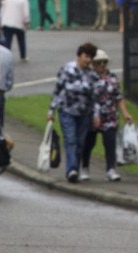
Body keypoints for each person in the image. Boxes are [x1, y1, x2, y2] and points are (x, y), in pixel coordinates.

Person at [47, 42, 99, 183]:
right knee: (70, 139)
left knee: (80, 142)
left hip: (84, 113)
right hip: (67, 110)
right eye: (86, 56)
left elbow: (95, 97)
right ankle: (72, 169)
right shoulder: (66, 69)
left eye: (90, 57)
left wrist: (96, 115)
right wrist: (51, 110)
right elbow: (57, 90)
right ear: (79, 55)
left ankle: (75, 165)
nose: (88, 60)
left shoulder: (92, 75)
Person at [81, 49, 131, 182]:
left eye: (104, 62)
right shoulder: (89, 77)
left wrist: (125, 113)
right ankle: (85, 167)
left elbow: (118, 97)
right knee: (88, 143)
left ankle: (110, 169)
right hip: (92, 117)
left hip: (109, 116)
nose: (102, 65)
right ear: (93, 64)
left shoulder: (113, 77)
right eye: (98, 62)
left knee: (110, 143)